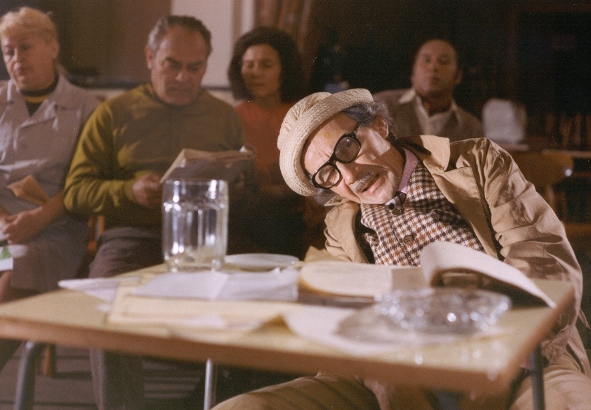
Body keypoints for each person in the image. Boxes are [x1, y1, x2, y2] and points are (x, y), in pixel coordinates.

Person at [211, 88, 591, 410]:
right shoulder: (341, 227)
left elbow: (542, 257)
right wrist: (388, 378)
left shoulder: (477, 162)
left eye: (347, 146)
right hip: (398, 369)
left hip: (522, 354)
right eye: (328, 173)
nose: (349, 175)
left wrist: (503, 354)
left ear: (379, 125)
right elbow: (351, 323)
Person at [63, 15, 248, 410]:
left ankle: (221, 402)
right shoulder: (112, 114)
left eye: (195, 67)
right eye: (171, 64)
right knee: (108, 303)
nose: (183, 77)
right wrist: (127, 190)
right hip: (133, 236)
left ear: (206, 65)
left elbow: (244, 185)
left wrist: (238, 182)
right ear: (150, 58)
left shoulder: (223, 116)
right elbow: (75, 193)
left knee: (263, 291)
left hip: (207, 239)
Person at [0, 6, 99, 373]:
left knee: (17, 265)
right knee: (8, 258)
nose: (16, 59)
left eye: (25, 47)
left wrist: (37, 220)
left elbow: (84, 183)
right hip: (3, 227)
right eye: (8, 51)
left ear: (53, 48)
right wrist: (5, 220)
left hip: (54, 228)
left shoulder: (86, 107)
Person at [228, 26, 312, 257]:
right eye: (249, 65)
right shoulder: (230, 117)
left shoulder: (305, 114)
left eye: (266, 65)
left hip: (299, 219)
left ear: (284, 70)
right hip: (248, 221)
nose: (255, 73)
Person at [373, 39, 483, 142]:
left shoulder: (472, 129)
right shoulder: (379, 106)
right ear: (413, 71)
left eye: (443, 61)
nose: (433, 67)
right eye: (426, 60)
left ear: (458, 75)